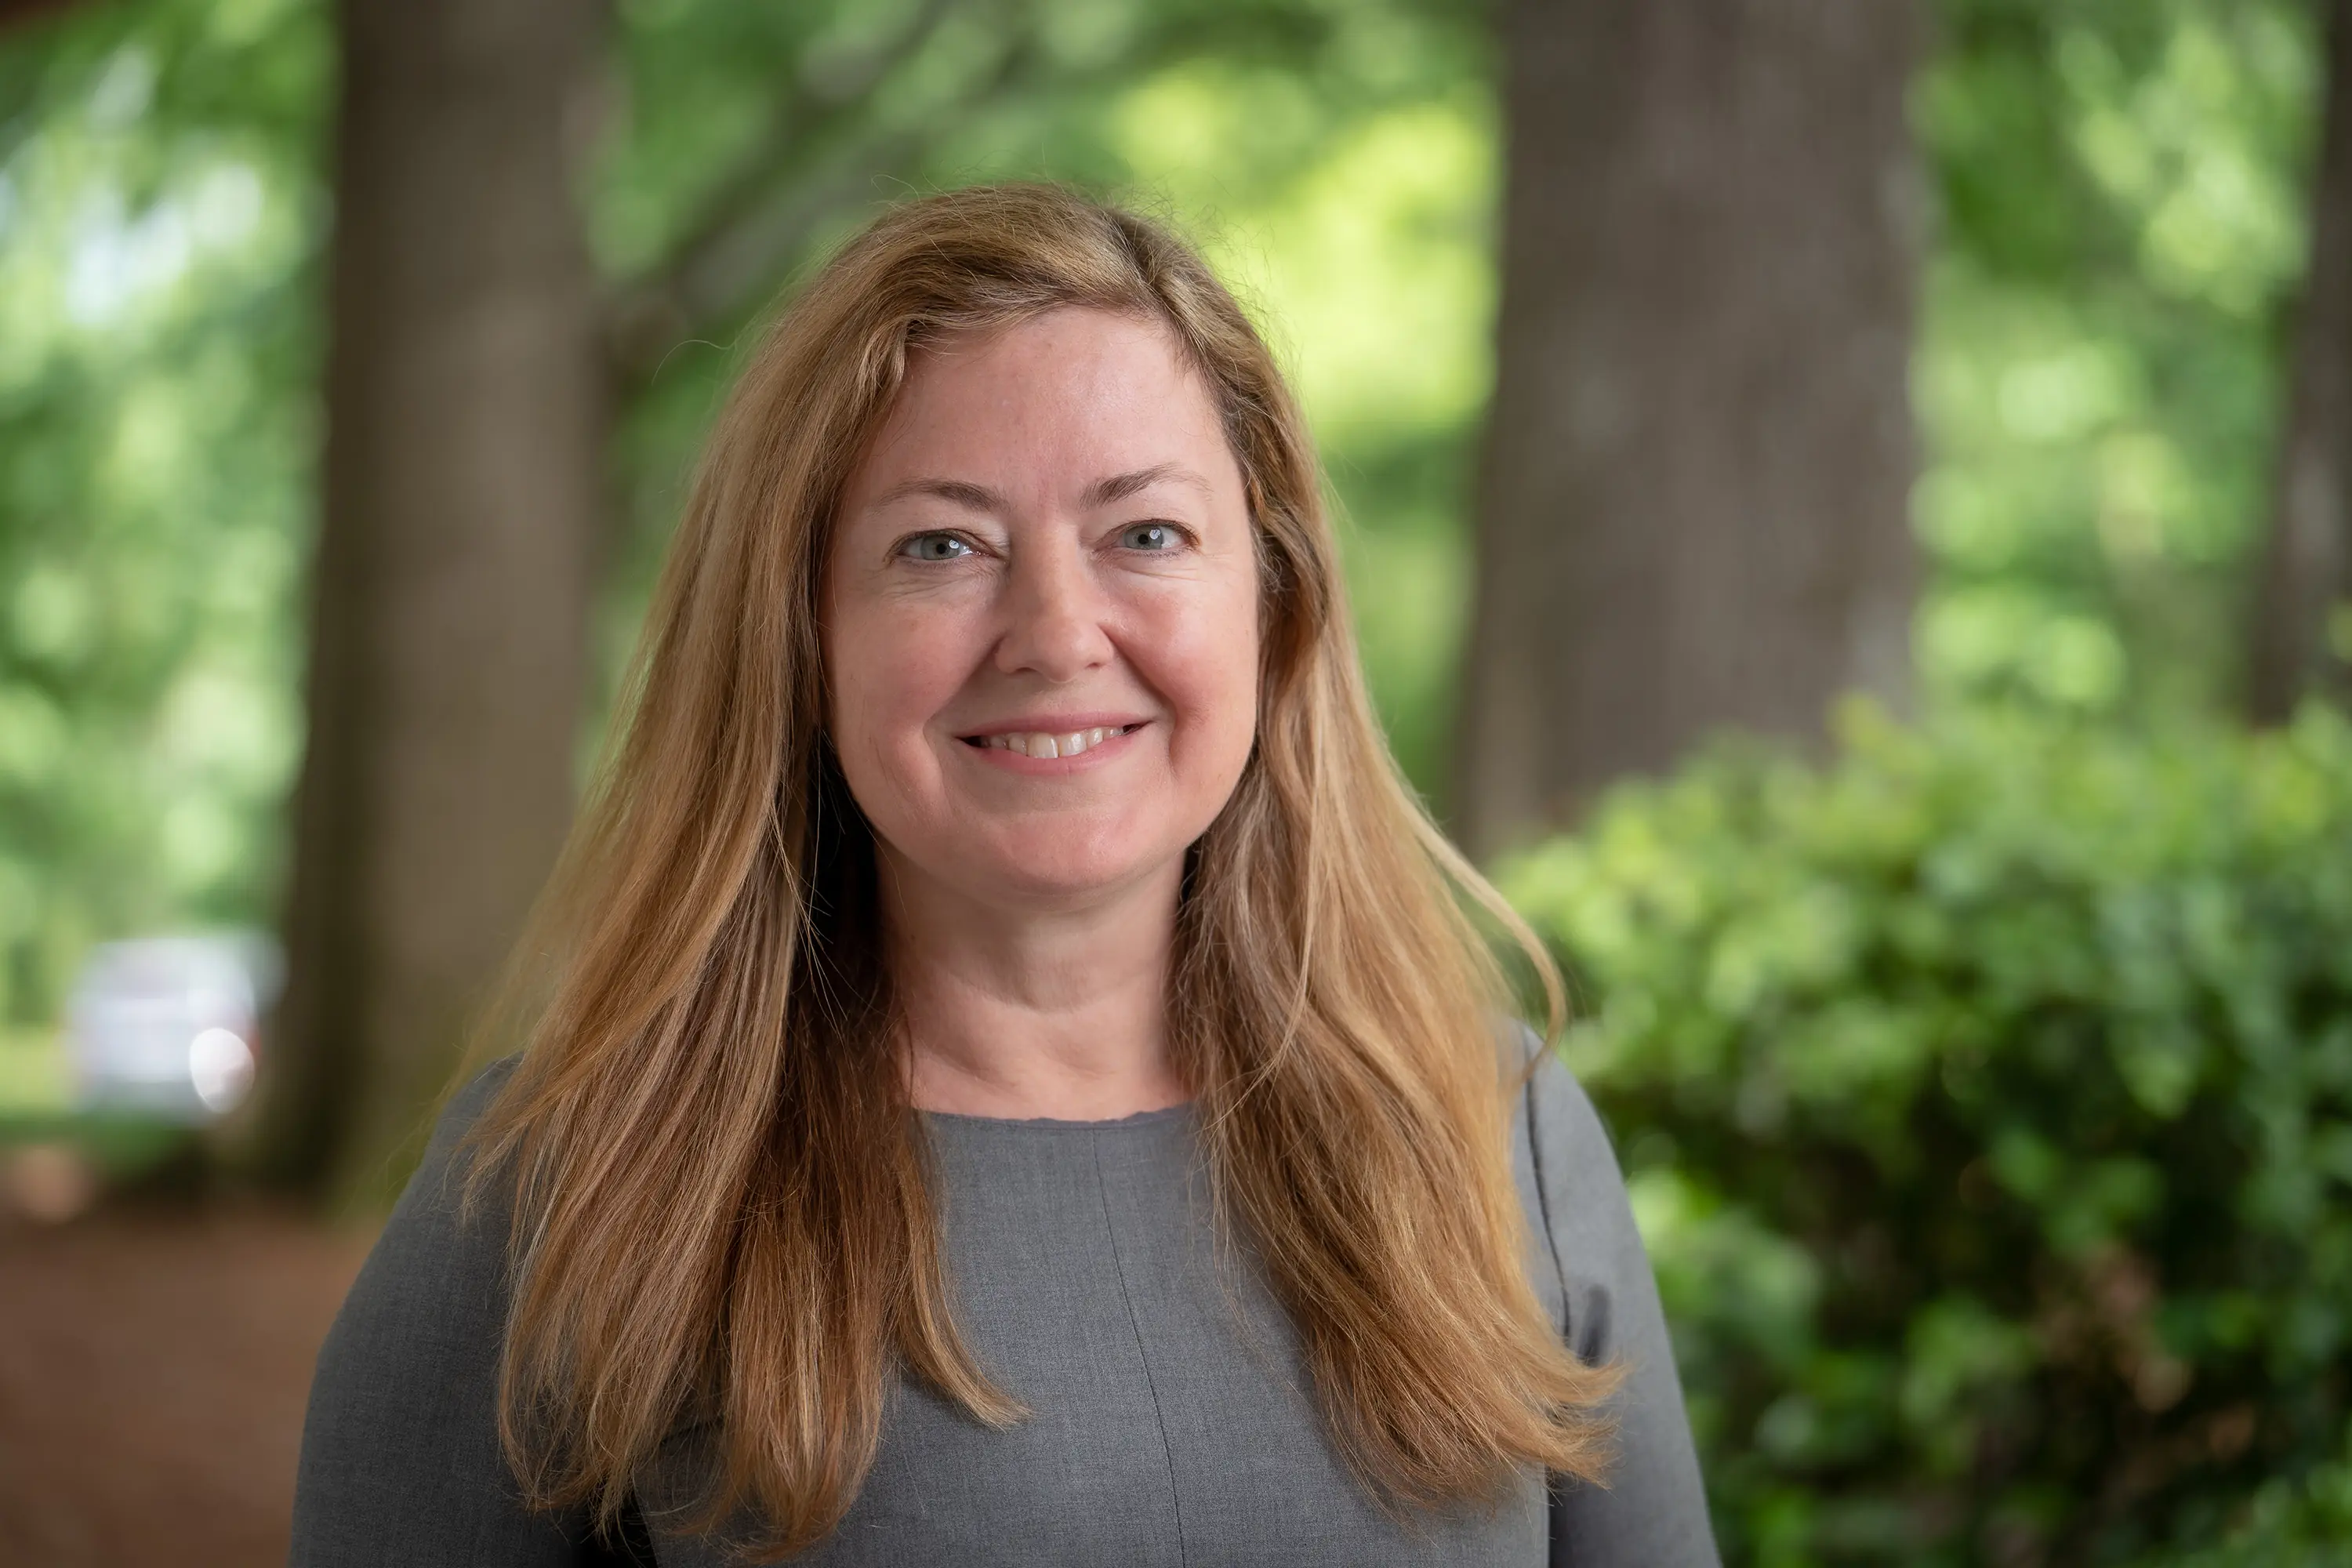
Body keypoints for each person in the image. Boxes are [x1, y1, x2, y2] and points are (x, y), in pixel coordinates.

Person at [289, 183, 1719, 1567]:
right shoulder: (562, 1193)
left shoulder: (1498, 1136)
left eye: (1144, 533)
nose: (1055, 630)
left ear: (1274, 610)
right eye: (942, 545)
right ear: (801, 643)